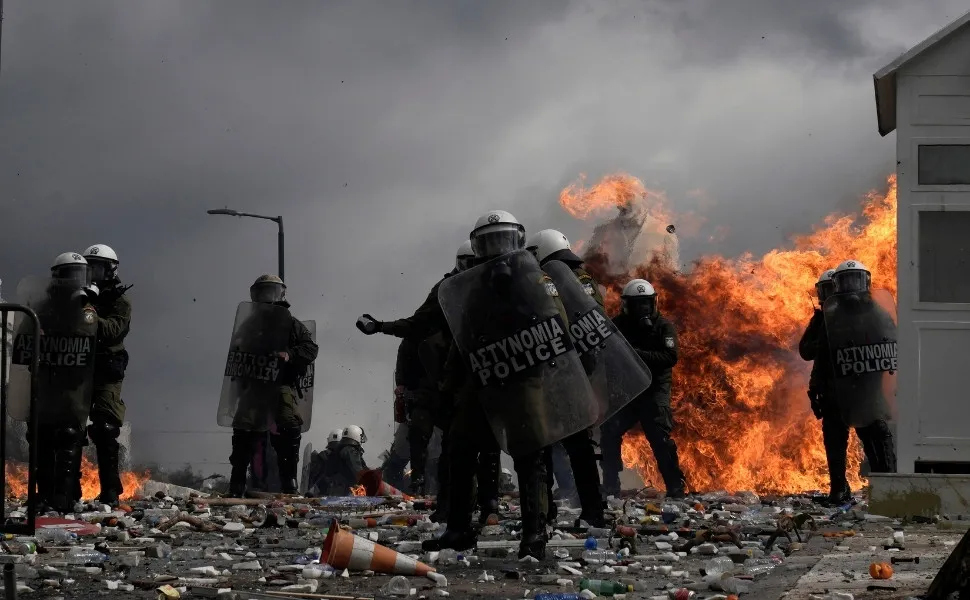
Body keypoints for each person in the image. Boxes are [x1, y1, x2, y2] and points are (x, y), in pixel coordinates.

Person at [427, 210, 566, 560]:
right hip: (484, 379)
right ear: (478, 247)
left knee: (529, 455)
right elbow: (464, 339)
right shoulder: (473, 288)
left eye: (503, 239)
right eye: (489, 241)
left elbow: (558, 329)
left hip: (523, 377)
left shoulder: (537, 281)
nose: (497, 248)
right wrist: (449, 385)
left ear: (517, 240)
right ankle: (458, 527)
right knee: (459, 447)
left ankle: (534, 534)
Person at [527, 229, 606, 527]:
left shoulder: (562, 282)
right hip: (569, 374)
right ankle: (586, 511)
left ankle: (564, 512)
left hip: (563, 374)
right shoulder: (577, 280)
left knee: (555, 445)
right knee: (571, 447)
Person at [227, 275, 319, 497]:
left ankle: (289, 481)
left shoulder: (290, 323)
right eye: (262, 292)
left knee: (288, 426)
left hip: (280, 384)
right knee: (243, 428)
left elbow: (310, 349)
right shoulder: (248, 325)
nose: (267, 297)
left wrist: (290, 355)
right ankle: (237, 482)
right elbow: (237, 358)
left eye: (270, 291)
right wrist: (233, 395)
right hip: (254, 386)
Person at [601, 279, 687, 498]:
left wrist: (636, 354)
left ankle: (675, 487)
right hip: (629, 391)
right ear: (627, 305)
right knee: (609, 431)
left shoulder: (663, 327)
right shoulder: (617, 325)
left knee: (659, 437)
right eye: (638, 304)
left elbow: (670, 357)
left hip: (654, 389)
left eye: (646, 304)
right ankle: (610, 485)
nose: (643, 309)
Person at [27, 253, 99, 512]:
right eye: (70, 275)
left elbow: (88, 331)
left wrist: (77, 307)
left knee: (69, 438)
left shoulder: (86, 309)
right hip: (47, 384)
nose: (76, 281)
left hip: (73, 387)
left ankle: (63, 498)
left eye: (80, 274)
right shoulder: (41, 307)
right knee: (43, 439)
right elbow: (28, 334)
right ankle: (44, 496)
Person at [821, 260, 897, 475]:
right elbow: (817, 357)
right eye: (847, 281)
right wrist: (816, 388)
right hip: (840, 388)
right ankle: (839, 489)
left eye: (857, 280)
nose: (852, 287)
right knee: (835, 435)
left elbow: (892, 345)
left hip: (869, 387)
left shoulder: (878, 313)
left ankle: (887, 482)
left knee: (876, 432)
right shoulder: (832, 318)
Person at [79, 244, 132, 505]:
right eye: (89, 268)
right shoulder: (78, 297)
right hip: (76, 366)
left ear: (111, 270)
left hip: (106, 369)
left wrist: (87, 311)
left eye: (98, 267)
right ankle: (67, 492)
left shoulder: (119, 302)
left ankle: (110, 491)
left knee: (104, 427)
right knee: (70, 427)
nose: (94, 273)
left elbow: (111, 331)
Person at [799, 268, 850, 504]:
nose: (829, 295)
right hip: (831, 389)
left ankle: (888, 487)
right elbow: (806, 351)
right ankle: (839, 489)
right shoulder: (820, 320)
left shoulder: (859, 313)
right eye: (825, 289)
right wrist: (824, 338)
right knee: (834, 440)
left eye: (833, 288)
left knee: (874, 436)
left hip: (859, 386)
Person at [328, 425, 368, 496]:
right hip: (346, 492)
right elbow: (358, 472)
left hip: (337, 490)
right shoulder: (351, 451)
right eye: (360, 436)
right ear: (356, 436)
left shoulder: (340, 450)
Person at [308, 428, 343, 495]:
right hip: (331, 494)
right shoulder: (342, 458)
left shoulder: (321, 456)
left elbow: (313, 476)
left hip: (319, 493)